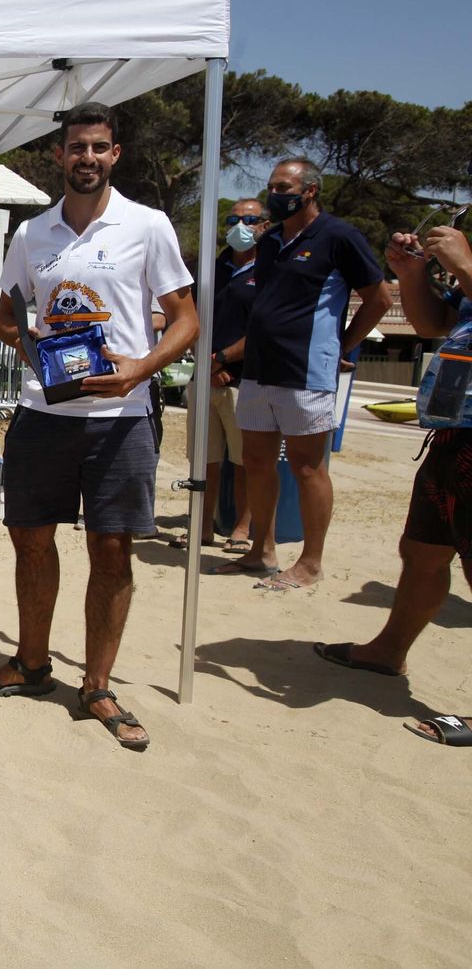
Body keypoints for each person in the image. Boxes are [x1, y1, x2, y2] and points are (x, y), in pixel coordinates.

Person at [0, 102, 198, 752]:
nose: (86, 158)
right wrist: (39, 350)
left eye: (98, 148)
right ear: (60, 156)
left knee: (112, 551)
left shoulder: (147, 227)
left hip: (122, 417)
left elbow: (185, 319)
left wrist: (140, 369)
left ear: (114, 155)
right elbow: (8, 319)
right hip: (43, 414)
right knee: (30, 542)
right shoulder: (32, 235)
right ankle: (32, 664)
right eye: (76, 148)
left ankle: (96, 685)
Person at [315, 222, 472, 746]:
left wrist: (465, 267)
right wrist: (413, 276)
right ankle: (388, 651)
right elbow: (438, 325)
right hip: (455, 433)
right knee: (423, 550)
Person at [216, 158, 390, 590]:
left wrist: (343, 344)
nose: (275, 192)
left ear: (310, 190)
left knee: (307, 467)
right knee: (256, 462)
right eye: (272, 184)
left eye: (283, 186)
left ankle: (310, 563)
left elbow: (379, 298)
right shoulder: (272, 239)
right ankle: (262, 551)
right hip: (258, 369)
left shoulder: (339, 236)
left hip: (306, 370)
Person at [176, 199, 267, 554]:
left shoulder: (269, 271)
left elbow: (263, 328)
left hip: (243, 381)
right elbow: (191, 317)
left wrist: (224, 360)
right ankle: (202, 526)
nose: (240, 226)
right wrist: (207, 362)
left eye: (249, 219)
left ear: (264, 225)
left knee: (244, 462)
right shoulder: (213, 271)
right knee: (204, 460)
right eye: (233, 219)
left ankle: (242, 528)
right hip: (204, 377)